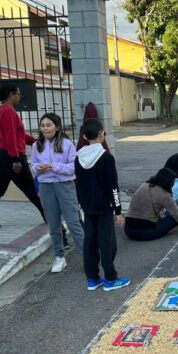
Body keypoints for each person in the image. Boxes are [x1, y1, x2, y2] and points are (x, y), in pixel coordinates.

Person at [74, 119, 129, 291]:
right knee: (107, 244)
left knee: (89, 242)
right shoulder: (106, 158)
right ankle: (110, 279)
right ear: (101, 134)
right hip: (104, 207)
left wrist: (82, 204)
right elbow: (113, 187)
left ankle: (92, 278)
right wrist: (118, 211)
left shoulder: (78, 157)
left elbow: (78, 185)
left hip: (87, 207)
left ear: (84, 136)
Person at [0, 81, 45, 226]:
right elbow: (10, 137)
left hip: (0, 153)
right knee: (30, 188)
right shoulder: (8, 111)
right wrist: (16, 159)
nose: (20, 97)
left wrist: (35, 141)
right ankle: (49, 215)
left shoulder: (3, 109)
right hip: (10, 155)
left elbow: (18, 134)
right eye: (18, 94)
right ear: (11, 95)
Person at [31, 113, 85, 274]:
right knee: (53, 225)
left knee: (74, 223)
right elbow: (33, 165)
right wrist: (38, 168)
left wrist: (54, 166)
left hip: (65, 186)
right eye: (43, 125)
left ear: (57, 127)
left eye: (49, 125)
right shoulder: (36, 145)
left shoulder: (67, 144)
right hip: (46, 187)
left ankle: (87, 256)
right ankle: (59, 257)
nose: (45, 128)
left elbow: (74, 167)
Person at [124, 168, 178, 241]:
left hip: (128, 230)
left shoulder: (145, 185)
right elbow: (177, 214)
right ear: (169, 182)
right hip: (145, 233)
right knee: (175, 219)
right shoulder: (165, 194)